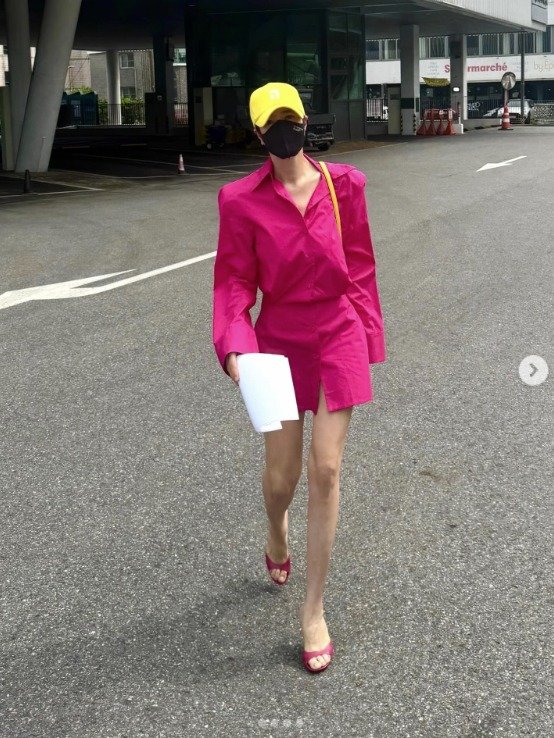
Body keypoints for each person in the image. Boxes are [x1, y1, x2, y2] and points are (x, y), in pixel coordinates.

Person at [212, 82, 386, 674]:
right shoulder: (239, 200)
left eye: (292, 119)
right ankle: (276, 528)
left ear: (305, 122)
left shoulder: (345, 185)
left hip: (337, 330)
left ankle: (313, 610)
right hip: (278, 341)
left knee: (327, 468)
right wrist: (236, 347)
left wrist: (368, 335)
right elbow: (234, 283)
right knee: (283, 476)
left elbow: (360, 265)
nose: (285, 131)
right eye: (273, 124)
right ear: (258, 134)